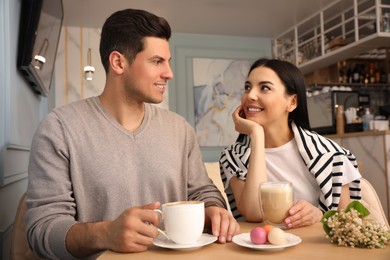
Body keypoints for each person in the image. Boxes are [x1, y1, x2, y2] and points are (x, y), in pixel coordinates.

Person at [25, 8, 239, 259]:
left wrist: (214, 209)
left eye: (168, 62)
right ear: (118, 62)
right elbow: (42, 229)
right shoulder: (59, 129)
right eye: (157, 61)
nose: (169, 73)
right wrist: (106, 233)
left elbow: (203, 191)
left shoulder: (180, 130)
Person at [219, 58, 362, 228]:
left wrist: (320, 216)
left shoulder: (330, 155)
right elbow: (255, 212)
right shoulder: (233, 157)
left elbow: (350, 223)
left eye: (265, 87)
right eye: (247, 87)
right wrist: (256, 135)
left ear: (292, 102)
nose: (250, 95)